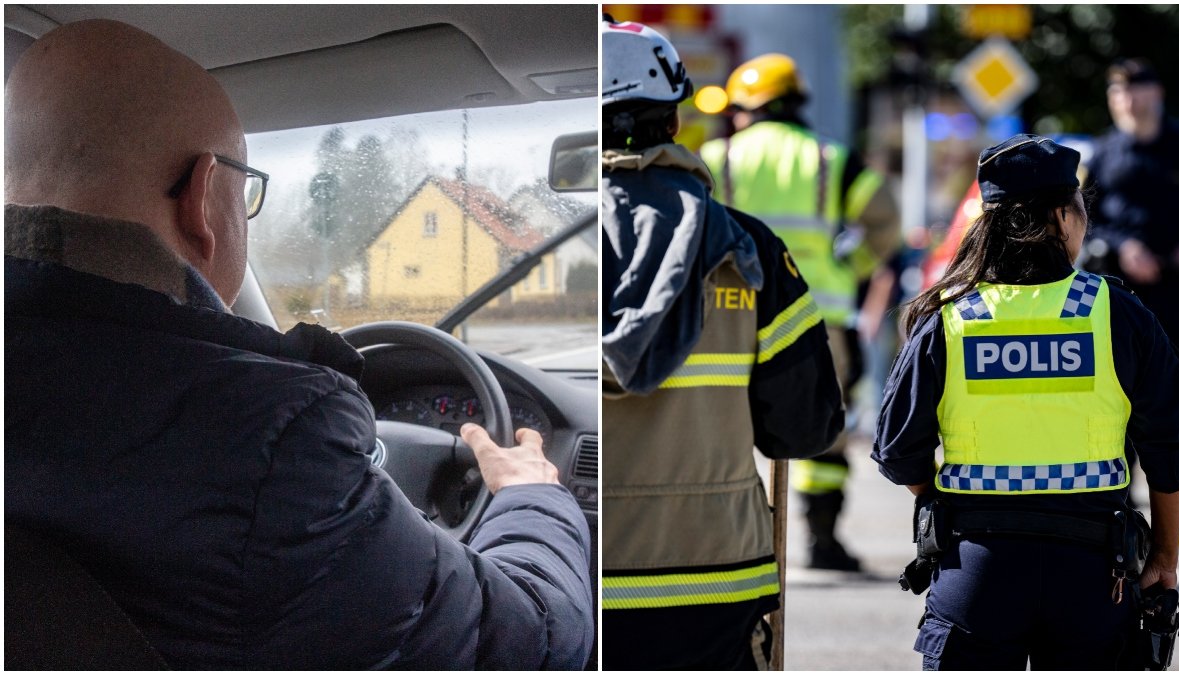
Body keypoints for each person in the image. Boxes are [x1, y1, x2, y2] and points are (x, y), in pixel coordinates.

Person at [5, 19, 592, 669]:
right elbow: (538, 640)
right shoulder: (266, 442)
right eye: (243, 188)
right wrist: (530, 496)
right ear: (204, 198)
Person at [872, 134, 1179, 670]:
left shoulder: (949, 319)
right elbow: (1172, 443)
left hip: (975, 574)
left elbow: (896, 449)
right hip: (1094, 579)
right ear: (1060, 216)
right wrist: (1163, 556)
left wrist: (943, 506)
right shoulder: (1114, 312)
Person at [600, 19, 843, 670]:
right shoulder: (749, 248)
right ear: (674, 120)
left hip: (580, 573)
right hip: (718, 576)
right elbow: (803, 428)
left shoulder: (545, 247)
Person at [700, 53, 900, 571]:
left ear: (749, 108)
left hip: (731, 310)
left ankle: (729, 541)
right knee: (821, 427)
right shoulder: (832, 159)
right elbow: (886, 221)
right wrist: (848, 266)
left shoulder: (717, 157)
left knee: (725, 419)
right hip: (820, 314)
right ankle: (821, 541)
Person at [1085, 59, 1179, 378]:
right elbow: (1084, 221)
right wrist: (1124, 246)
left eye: (1137, 91)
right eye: (1119, 92)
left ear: (1157, 93)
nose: (1129, 101)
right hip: (1121, 282)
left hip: (1178, 283)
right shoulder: (1102, 152)